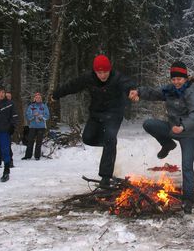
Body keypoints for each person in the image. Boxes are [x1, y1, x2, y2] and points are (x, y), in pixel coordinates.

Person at [129, 61, 194, 214]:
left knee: (187, 166)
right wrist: (138, 92)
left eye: (180, 79)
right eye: (174, 79)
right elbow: (154, 92)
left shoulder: (192, 92)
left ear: (185, 78)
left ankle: (188, 201)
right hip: (172, 129)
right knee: (149, 124)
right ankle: (168, 144)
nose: (176, 82)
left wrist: (183, 126)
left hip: (188, 133)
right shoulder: (170, 90)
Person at [51, 54, 136, 186]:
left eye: (105, 72)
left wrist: (132, 91)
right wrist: (56, 94)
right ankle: (109, 146)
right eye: (99, 72)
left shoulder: (117, 77)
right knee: (88, 138)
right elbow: (73, 85)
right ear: (95, 71)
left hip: (114, 114)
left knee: (109, 138)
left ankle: (105, 178)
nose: (102, 75)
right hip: (96, 114)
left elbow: (129, 83)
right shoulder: (88, 78)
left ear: (110, 70)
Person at [22, 92, 50, 160]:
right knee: (30, 141)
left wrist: (42, 117)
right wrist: (33, 116)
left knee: (39, 142)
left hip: (41, 126)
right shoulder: (31, 106)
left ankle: (37, 156)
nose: (38, 99)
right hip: (32, 126)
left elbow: (47, 115)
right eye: (37, 97)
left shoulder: (44, 106)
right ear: (34, 98)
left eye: (39, 98)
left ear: (41, 99)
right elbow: (28, 115)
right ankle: (28, 156)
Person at [0, 91, 15, 167]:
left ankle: (10, 161)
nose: (8, 98)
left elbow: (14, 117)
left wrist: (12, 127)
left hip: (8, 128)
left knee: (7, 145)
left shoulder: (12, 105)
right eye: (6, 96)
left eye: (9, 97)